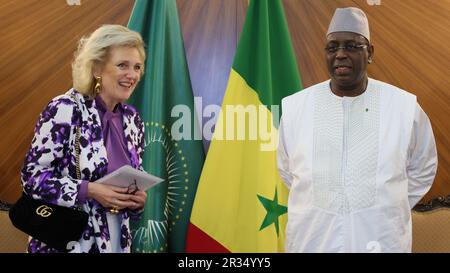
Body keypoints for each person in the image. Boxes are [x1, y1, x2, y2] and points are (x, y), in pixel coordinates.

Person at [277, 7, 437, 253]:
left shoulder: (403, 107)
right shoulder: (296, 107)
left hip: (380, 239)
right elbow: (288, 171)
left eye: (352, 46)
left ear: (370, 52)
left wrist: (386, 203)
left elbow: (423, 167)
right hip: (313, 240)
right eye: (332, 47)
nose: (340, 54)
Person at [21, 24, 148, 253]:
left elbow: (131, 183)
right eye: (122, 65)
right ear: (97, 68)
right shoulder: (65, 109)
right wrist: (90, 190)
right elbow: (33, 178)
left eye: (137, 67)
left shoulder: (133, 120)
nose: (133, 75)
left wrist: (136, 202)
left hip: (118, 239)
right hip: (67, 241)